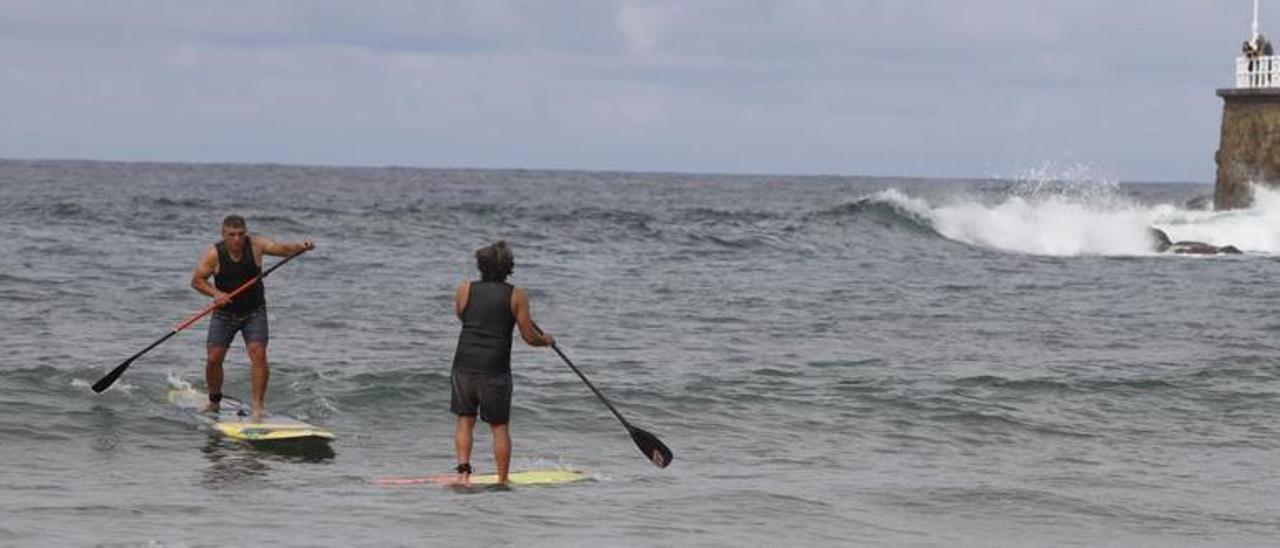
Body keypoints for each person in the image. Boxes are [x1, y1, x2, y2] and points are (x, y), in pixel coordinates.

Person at [450, 241, 554, 485]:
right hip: (494, 369)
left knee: (465, 420)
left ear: (481, 265)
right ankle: (502, 480)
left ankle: (463, 474)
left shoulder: (464, 289)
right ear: (508, 268)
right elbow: (529, 337)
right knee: (499, 426)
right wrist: (546, 340)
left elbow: (462, 316)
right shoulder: (516, 295)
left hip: (463, 364)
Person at [191, 215, 314, 422]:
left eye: (241, 234)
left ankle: (258, 406)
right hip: (224, 314)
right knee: (213, 358)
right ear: (224, 235)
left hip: (254, 312)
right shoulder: (214, 254)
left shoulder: (256, 245)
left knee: (258, 354)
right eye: (232, 235)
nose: (237, 239)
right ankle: (214, 401)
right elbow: (197, 281)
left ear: (245, 233)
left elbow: (283, 249)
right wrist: (216, 294)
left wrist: (301, 246)